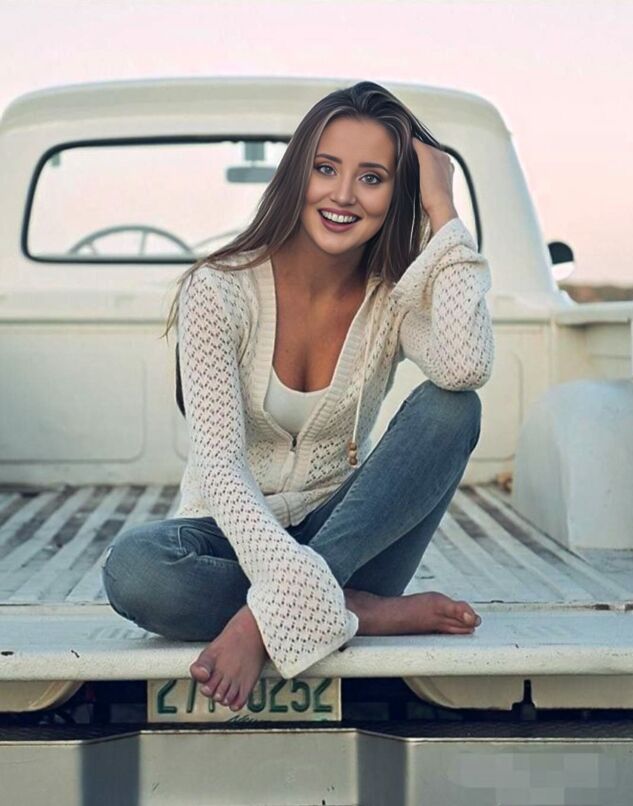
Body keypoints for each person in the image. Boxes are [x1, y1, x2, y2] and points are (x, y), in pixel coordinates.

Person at [101, 80, 494, 713]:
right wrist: (289, 579)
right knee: (135, 570)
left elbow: (466, 366)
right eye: (325, 169)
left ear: (398, 193)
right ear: (297, 173)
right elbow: (220, 468)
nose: (343, 195)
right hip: (235, 534)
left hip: (348, 539)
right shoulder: (219, 290)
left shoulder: (391, 298)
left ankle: (276, 617)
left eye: (372, 178)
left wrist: (443, 210)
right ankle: (356, 612)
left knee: (453, 408)